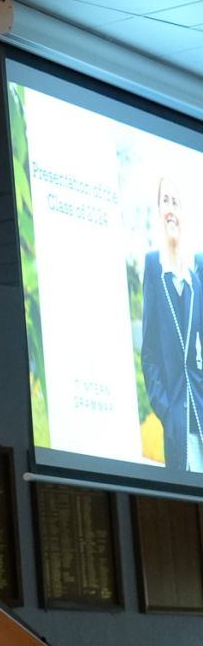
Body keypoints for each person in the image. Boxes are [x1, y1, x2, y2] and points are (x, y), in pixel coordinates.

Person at [140, 176, 203, 471]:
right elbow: (149, 353)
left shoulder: (196, 278)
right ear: (158, 211)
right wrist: (167, 411)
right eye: (165, 201)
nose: (170, 209)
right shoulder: (154, 267)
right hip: (178, 423)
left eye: (175, 202)